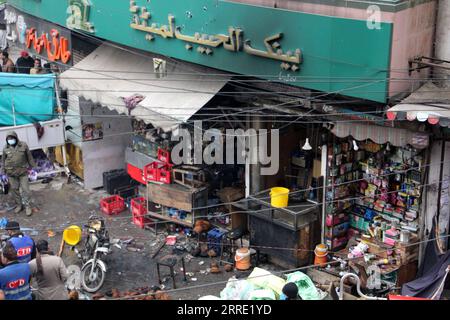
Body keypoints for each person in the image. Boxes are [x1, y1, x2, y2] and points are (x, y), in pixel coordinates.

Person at [1, 131, 36, 216]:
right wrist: (2, 173)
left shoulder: (23, 145)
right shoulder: (5, 148)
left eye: (12, 138)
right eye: (8, 139)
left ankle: (27, 206)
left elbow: (29, 157)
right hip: (11, 173)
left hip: (23, 172)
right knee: (14, 189)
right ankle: (19, 205)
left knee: (26, 190)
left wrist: (33, 168)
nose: (10, 140)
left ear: (15, 138)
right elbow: (3, 161)